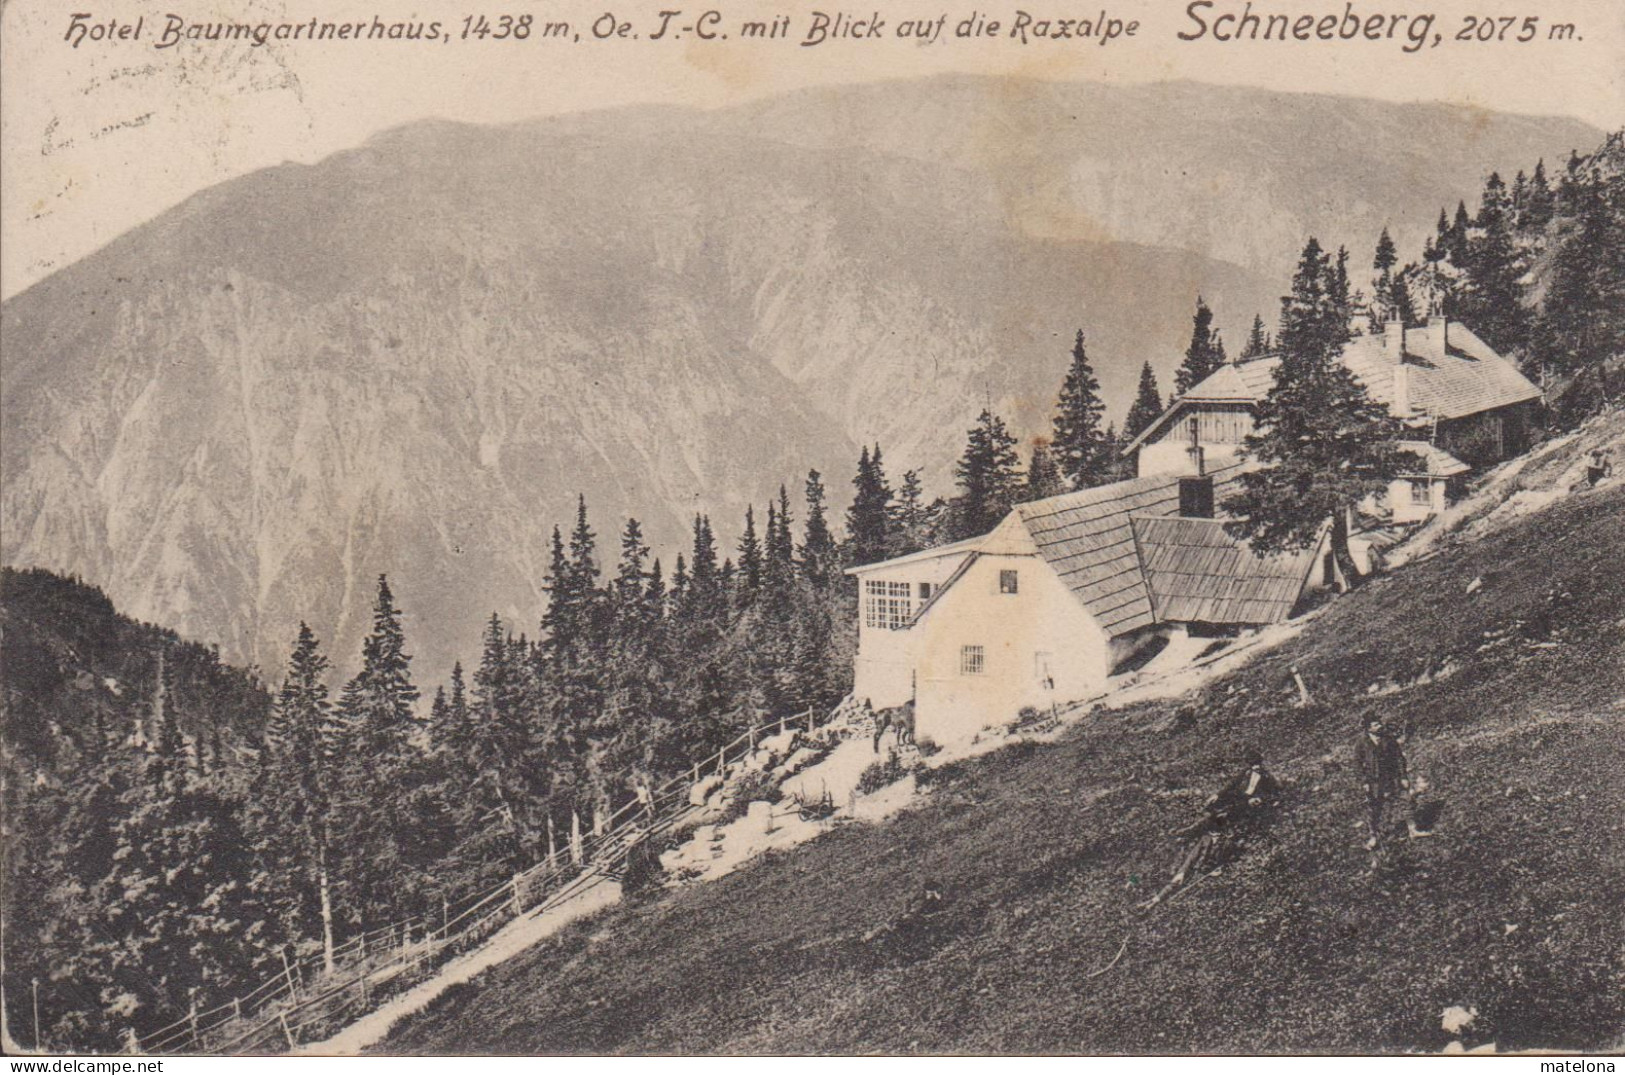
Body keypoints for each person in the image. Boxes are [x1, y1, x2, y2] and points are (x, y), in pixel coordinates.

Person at [1143, 750, 1279, 907]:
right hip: (1237, 802)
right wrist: (1217, 794)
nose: (1254, 767)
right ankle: (1189, 832)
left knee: (1218, 823)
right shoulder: (1245, 772)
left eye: (1256, 765)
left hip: (1249, 808)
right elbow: (1231, 785)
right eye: (1252, 765)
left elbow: (1276, 793)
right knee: (1212, 814)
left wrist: (1260, 799)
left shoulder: (1267, 777)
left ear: (1260, 764)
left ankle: (1193, 837)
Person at [1356, 717, 1416, 851]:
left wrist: (1403, 777)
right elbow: (1357, 764)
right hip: (1375, 781)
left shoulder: (1388, 738)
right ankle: (1374, 837)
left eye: (1379, 723)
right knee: (1374, 809)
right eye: (1376, 724)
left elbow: (1399, 758)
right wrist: (1364, 781)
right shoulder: (1362, 743)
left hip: (1392, 777)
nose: (1380, 726)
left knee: (1406, 800)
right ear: (1368, 728)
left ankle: (1413, 829)